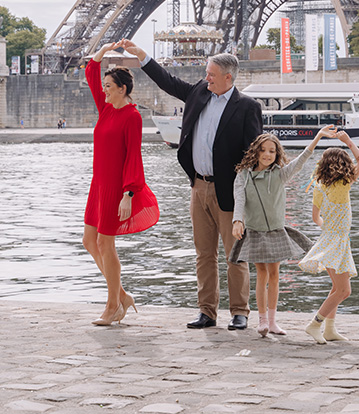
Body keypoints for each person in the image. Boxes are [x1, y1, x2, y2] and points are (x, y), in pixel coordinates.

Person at [120, 39, 262, 331]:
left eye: (211, 74)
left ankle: (239, 311)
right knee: (203, 254)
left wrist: (249, 197)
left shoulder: (247, 107)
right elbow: (167, 81)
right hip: (198, 187)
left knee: (235, 253)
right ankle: (207, 311)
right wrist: (142, 56)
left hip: (231, 191)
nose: (205, 77)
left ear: (228, 78)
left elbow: (254, 153)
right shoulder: (199, 92)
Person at [230, 125, 339, 337]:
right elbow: (239, 198)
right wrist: (237, 220)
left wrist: (317, 137)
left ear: (277, 154)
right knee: (261, 274)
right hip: (256, 231)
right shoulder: (244, 175)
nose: (268, 155)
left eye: (272, 151)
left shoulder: (280, 174)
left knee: (275, 274)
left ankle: (272, 322)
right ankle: (261, 320)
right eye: (263, 150)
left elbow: (301, 161)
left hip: (276, 231)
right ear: (256, 151)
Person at [83, 42, 160, 326]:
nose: (103, 89)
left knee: (106, 244)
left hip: (117, 187)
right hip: (99, 184)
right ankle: (123, 296)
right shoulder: (106, 109)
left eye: (109, 86)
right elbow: (91, 72)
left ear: (122, 89)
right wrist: (102, 51)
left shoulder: (132, 117)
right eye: (104, 85)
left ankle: (113, 305)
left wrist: (128, 193)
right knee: (89, 242)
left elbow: (133, 157)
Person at [299, 129, 359, 344]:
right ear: (344, 165)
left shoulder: (319, 187)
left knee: (336, 288)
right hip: (337, 240)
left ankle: (329, 329)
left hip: (330, 238)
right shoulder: (344, 183)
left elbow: (315, 217)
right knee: (344, 291)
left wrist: (328, 226)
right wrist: (347, 140)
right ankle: (315, 324)